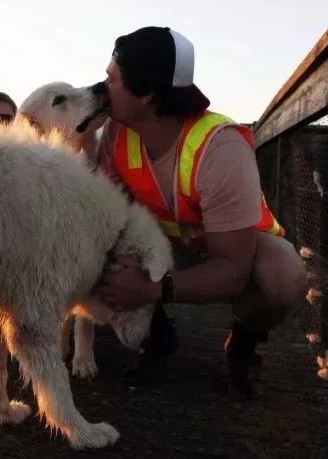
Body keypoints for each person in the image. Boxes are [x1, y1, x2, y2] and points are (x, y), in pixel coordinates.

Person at [93, 26, 307, 398]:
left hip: (229, 248)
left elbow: (233, 271)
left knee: (282, 275)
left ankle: (243, 340)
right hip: (161, 241)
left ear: (145, 94)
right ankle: (154, 336)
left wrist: (151, 289)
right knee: (104, 239)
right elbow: (108, 219)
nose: (100, 89)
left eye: (111, 79)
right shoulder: (114, 131)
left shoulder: (219, 148)